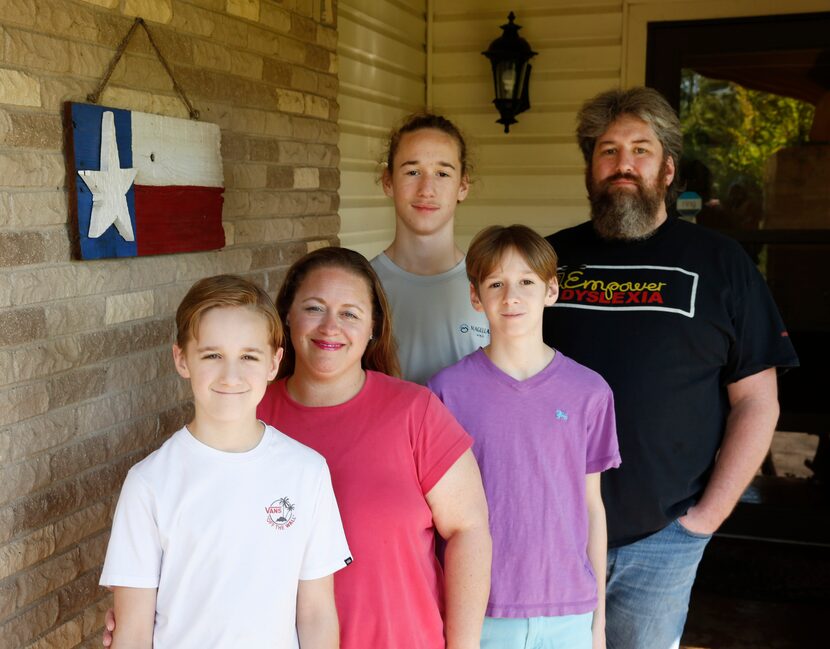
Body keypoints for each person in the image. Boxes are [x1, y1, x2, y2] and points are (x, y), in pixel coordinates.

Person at [542, 87, 799, 649]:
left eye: (641, 149)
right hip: (550, 537)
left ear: (668, 168)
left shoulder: (721, 262)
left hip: (660, 542)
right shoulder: (548, 260)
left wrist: (702, 522)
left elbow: (757, 401)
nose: (623, 165)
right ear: (590, 167)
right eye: (607, 150)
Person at [99, 275, 351, 648]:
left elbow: (315, 613)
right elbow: (133, 631)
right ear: (181, 359)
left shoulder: (306, 472)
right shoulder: (149, 483)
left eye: (249, 356)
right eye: (212, 355)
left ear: (274, 363)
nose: (231, 376)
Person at [258, 247, 491, 648]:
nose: (331, 327)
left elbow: (469, 529)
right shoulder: (252, 415)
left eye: (350, 313)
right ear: (288, 317)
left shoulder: (415, 412)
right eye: (314, 308)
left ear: (373, 328)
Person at [429, 225, 620, 649]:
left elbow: (592, 505)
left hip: (569, 610)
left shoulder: (589, 391)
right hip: (480, 613)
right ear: (476, 296)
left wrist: (598, 621)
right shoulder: (445, 393)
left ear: (551, 289)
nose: (510, 296)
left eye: (526, 282)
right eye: (495, 283)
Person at [372, 113, 490, 384]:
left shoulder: (490, 285)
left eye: (442, 173)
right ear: (388, 181)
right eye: (413, 172)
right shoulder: (363, 284)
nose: (427, 189)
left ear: (462, 186)